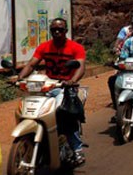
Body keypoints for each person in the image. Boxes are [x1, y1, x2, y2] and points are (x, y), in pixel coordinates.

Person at [14, 18, 87, 165]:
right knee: (31, 108)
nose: (57, 32)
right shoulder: (44, 47)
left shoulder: (75, 47)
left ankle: (77, 149)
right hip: (48, 85)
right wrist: (19, 77)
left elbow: (80, 67)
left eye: (60, 29)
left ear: (66, 31)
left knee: (64, 112)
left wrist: (72, 81)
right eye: (54, 30)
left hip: (65, 87)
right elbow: (31, 64)